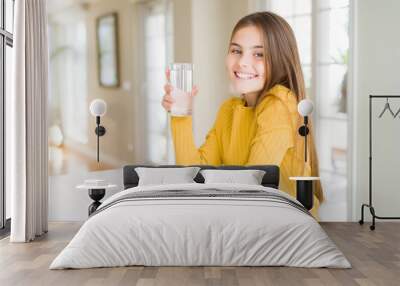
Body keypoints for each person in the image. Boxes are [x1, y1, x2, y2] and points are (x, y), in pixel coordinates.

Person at [161, 11, 323, 217]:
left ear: (280, 60)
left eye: (259, 54)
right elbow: (193, 174)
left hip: (285, 228)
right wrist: (181, 114)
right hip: (246, 219)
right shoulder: (229, 109)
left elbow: (250, 186)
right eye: (236, 51)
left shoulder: (280, 104)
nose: (242, 62)